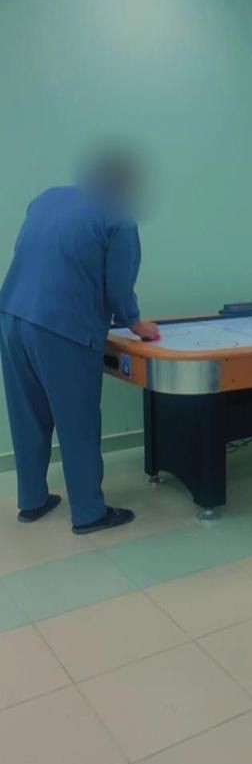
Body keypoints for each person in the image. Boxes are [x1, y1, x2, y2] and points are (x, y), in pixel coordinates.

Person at [0, 150, 160, 534]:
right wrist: (135, 322)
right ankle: (89, 512)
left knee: (27, 416)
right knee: (78, 421)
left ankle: (32, 501)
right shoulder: (119, 217)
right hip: (63, 327)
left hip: (11, 316)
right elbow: (119, 287)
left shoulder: (47, 198)